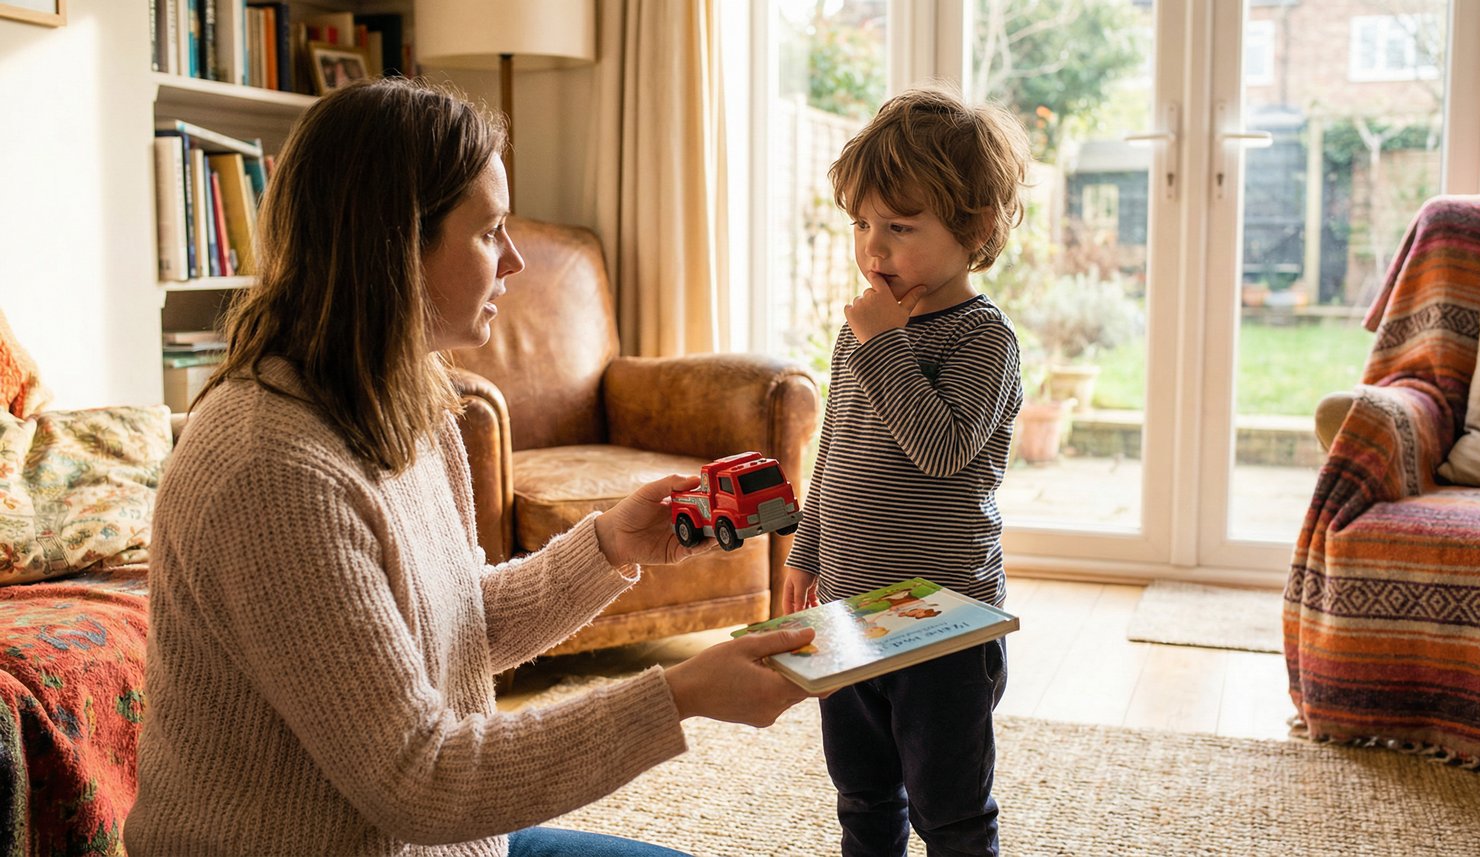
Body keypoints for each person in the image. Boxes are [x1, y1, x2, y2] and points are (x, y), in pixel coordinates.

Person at [125, 77, 815, 857]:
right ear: (392, 245)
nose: (516, 260)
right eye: (490, 231)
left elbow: (457, 626)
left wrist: (610, 545)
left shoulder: (406, 401)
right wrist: (680, 692)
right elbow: (422, 781)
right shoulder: (273, 470)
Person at [782, 85, 1032, 857]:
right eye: (862, 223)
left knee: (951, 810)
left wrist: (884, 343)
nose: (873, 248)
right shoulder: (863, 333)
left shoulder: (983, 340)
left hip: (941, 623)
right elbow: (836, 450)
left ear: (974, 228)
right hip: (852, 610)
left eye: (900, 226)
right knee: (862, 795)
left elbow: (943, 448)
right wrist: (806, 549)